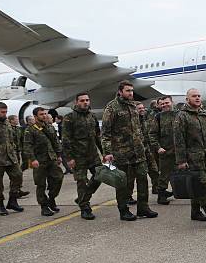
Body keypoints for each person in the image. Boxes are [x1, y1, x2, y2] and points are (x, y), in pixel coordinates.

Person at [64, 92, 131, 220]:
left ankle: (83, 198)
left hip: (93, 155)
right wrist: (69, 158)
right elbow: (66, 139)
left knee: (100, 177)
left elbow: (97, 137)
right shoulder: (69, 117)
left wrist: (105, 153)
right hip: (78, 157)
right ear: (76, 102)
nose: (85, 102)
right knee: (81, 182)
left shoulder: (92, 116)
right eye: (82, 100)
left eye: (87, 100)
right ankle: (85, 208)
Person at [101, 81, 157, 219]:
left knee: (143, 179)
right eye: (128, 91)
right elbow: (105, 132)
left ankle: (143, 208)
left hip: (138, 152)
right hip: (121, 153)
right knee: (123, 183)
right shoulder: (112, 107)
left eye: (132, 90)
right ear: (120, 91)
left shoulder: (134, 106)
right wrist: (107, 152)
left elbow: (140, 128)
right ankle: (123, 210)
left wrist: (145, 146)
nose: (131, 93)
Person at [174, 88, 206, 228]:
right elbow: (179, 140)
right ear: (187, 99)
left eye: (199, 96)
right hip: (192, 159)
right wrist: (181, 161)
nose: (197, 98)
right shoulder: (182, 116)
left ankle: (195, 212)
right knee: (204, 187)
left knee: (198, 185)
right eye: (194, 96)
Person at [22, 107, 63, 216]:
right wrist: (33, 159)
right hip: (39, 161)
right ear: (35, 117)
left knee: (58, 178)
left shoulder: (49, 127)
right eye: (41, 114)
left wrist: (59, 155)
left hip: (51, 158)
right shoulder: (30, 130)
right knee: (41, 184)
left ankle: (51, 198)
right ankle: (44, 206)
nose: (44, 116)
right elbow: (27, 146)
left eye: (45, 114)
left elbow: (55, 142)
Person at [149, 95, 177, 205]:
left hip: (179, 150)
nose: (165, 105)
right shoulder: (158, 117)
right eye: (163, 103)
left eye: (167, 103)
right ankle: (161, 195)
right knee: (164, 175)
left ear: (172, 102)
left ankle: (183, 190)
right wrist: (158, 147)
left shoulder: (179, 115)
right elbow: (152, 134)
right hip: (166, 151)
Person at [136, 102, 160, 197]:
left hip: (147, 150)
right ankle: (128, 196)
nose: (142, 110)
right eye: (139, 108)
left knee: (154, 170)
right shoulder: (133, 122)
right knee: (135, 176)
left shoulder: (145, 120)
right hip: (137, 153)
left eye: (143, 108)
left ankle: (156, 188)